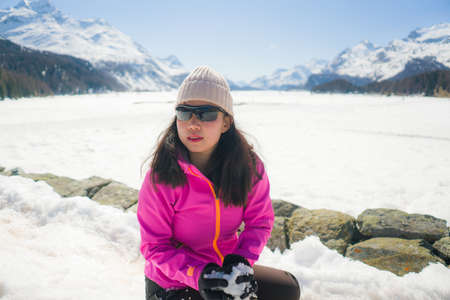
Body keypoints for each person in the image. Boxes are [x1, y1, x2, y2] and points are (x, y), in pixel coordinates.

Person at [137, 65, 301, 300]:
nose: (193, 124)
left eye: (207, 114)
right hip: (171, 283)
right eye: (184, 113)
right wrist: (199, 274)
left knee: (286, 289)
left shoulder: (249, 168)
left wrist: (241, 261)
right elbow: (155, 247)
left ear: (226, 122)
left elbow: (260, 221)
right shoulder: (162, 176)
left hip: (224, 271)